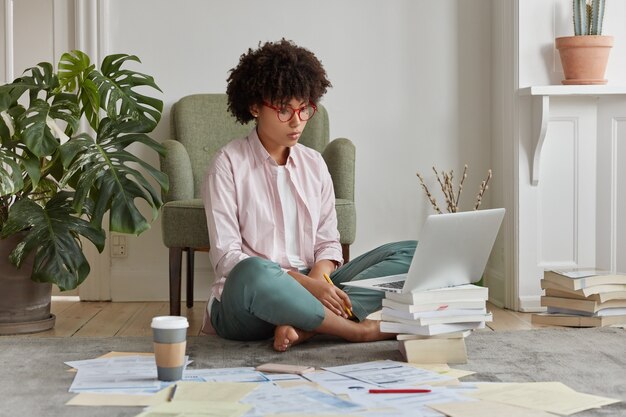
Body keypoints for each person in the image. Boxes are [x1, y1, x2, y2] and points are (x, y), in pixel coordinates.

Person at [202, 39, 416, 351]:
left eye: (304, 109)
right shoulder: (227, 164)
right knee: (253, 269)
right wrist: (306, 287)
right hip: (250, 300)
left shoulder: (314, 163)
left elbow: (328, 243)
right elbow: (227, 259)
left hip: (313, 284)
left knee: (414, 252)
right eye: (284, 110)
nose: (297, 121)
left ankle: (307, 327)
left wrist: (318, 282)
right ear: (254, 107)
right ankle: (355, 330)